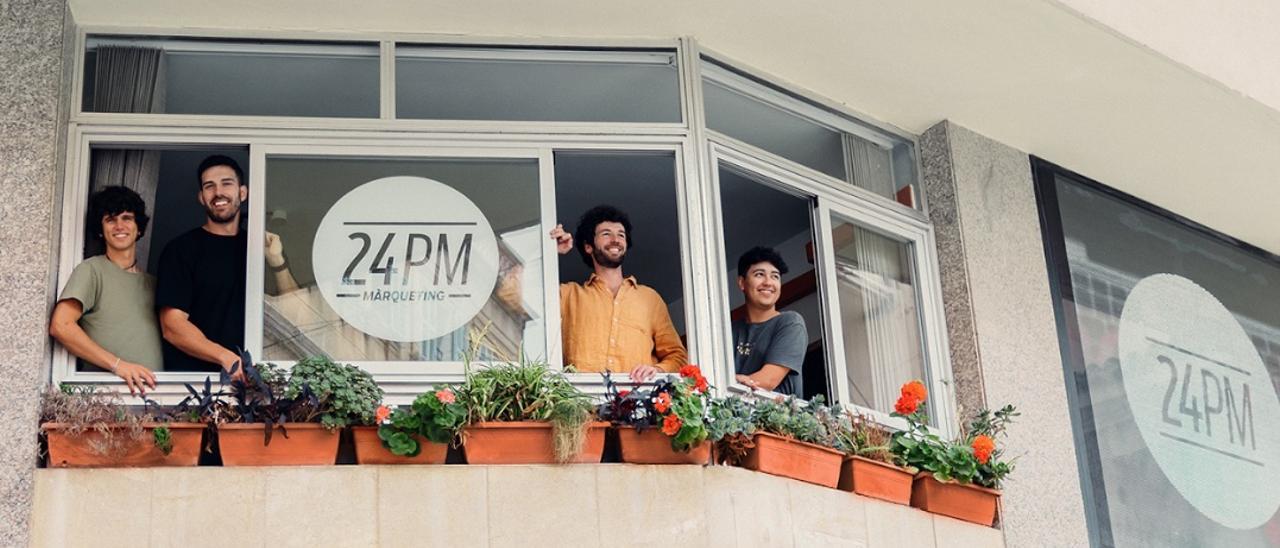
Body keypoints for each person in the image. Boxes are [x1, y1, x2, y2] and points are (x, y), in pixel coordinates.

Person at [156, 155, 296, 375]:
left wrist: (277, 262)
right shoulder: (181, 250)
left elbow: (294, 314)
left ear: (243, 192)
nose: (218, 192)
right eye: (209, 186)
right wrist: (227, 358)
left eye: (226, 183)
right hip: (195, 388)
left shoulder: (257, 249)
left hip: (258, 385)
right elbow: (172, 327)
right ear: (201, 197)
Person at [550, 205, 687, 382]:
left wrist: (656, 370)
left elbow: (678, 357)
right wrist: (549, 252)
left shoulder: (649, 298)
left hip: (637, 406)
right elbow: (513, 298)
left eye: (621, 235)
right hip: (582, 406)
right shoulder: (568, 295)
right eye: (606, 234)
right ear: (588, 247)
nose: (615, 239)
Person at [49, 186, 161, 395]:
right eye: (110, 219)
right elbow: (61, 325)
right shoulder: (92, 270)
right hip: (109, 398)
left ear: (140, 228)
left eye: (127, 218)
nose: (119, 225)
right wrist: (119, 365)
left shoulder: (153, 284)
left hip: (159, 397)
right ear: (101, 229)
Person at [732, 246, 806, 395]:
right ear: (742, 283)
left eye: (775, 276)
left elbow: (767, 381)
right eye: (759, 274)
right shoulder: (730, 331)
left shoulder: (790, 322)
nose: (768, 282)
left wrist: (731, 382)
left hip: (777, 417)